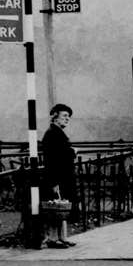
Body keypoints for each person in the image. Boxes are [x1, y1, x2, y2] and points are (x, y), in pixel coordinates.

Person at [40, 103, 77, 248]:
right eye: (65, 116)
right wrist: (53, 181)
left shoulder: (58, 133)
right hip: (57, 176)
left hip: (64, 176)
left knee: (62, 207)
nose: (67, 119)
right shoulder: (52, 134)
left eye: (68, 116)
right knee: (56, 207)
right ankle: (53, 238)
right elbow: (52, 159)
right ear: (55, 117)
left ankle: (62, 237)